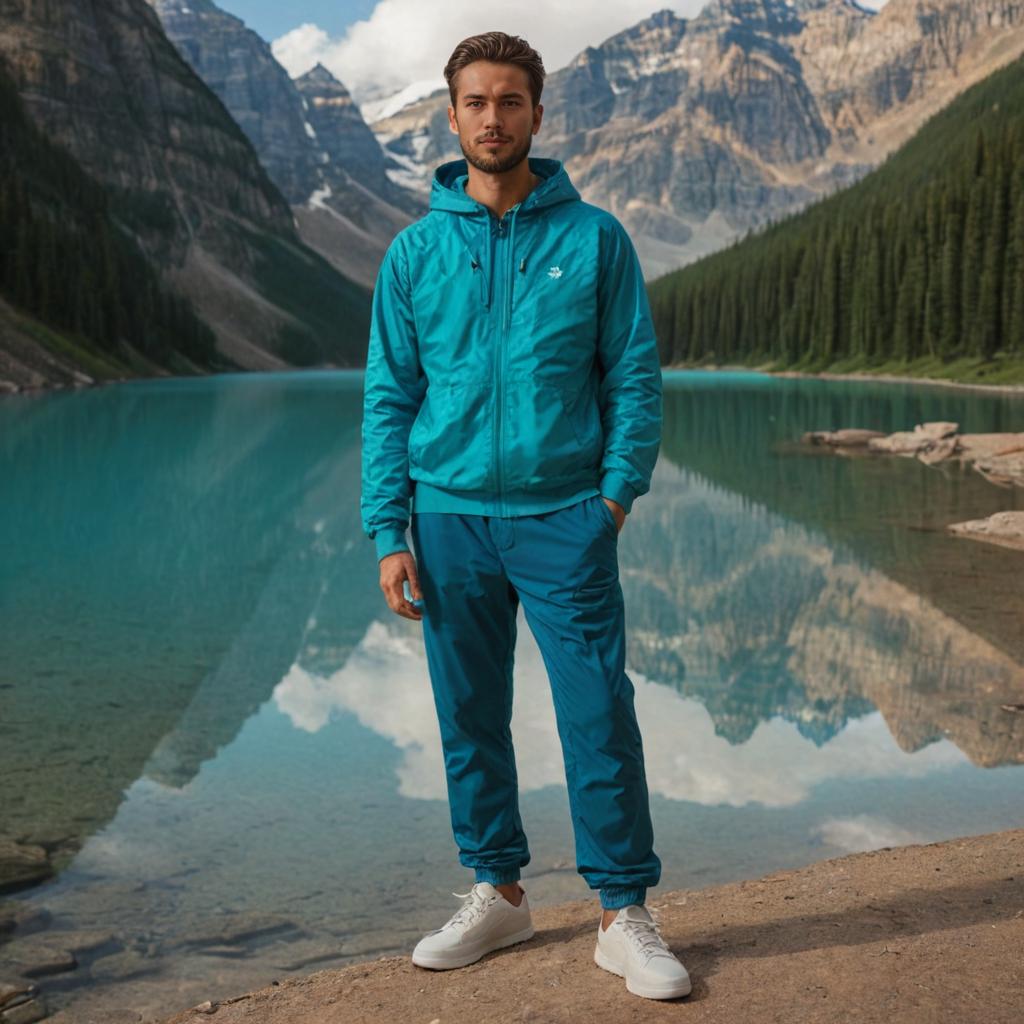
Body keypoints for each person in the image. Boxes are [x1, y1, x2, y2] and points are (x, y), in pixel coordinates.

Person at [359, 29, 691, 1001]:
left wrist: (615, 496)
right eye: (475, 102)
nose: (493, 118)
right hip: (447, 518)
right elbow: (389, 395)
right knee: (469, 718)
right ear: (451, 115)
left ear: (539, 115)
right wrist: (390, 530)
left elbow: (633, 376)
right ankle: (497, 892)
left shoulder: (595, 240)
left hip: (565, 518)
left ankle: (623, 913)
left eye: (511, 101)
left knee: (598, 712)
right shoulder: (414, 252)